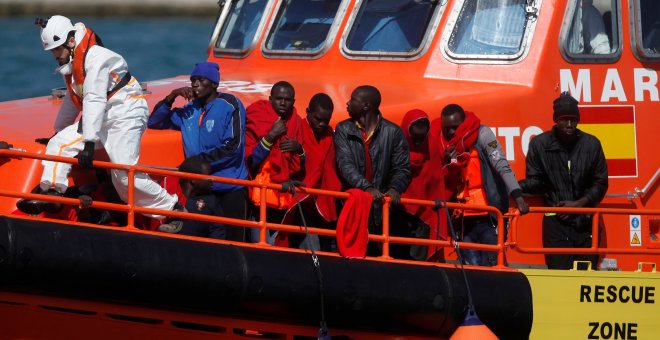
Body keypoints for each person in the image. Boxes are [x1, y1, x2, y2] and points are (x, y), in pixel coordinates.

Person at [18, 15, 181, 218]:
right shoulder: (71, 61)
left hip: (126, 112)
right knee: (59, 143)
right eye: (52, 51)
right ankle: (52, 193)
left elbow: (94, 98)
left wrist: (89, 143)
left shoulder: (97, 59)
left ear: (70, 42)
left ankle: (172, 208)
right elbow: (73, 97)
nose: (55, 55)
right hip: (101, 116)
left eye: (56, 50)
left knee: (123, 177)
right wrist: (58, 131)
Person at [148, 61, 249, 241]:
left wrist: (197, 164)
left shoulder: (230, 104)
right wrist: (172, 96)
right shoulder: (189, 111)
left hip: (229, 187)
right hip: (200, 191)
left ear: (214, 84)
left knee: (233, 243)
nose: (195, 84)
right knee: (195, 241)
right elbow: (155, 121)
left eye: (201, 80)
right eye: (193, 80)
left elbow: (233, 146)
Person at [519, 92, 608, 270]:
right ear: (556, 120)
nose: (569, 124)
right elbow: (536, 182)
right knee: (559, 275)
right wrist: (512, 187)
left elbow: (601, 182)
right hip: (555, 222)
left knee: (586, 277)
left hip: (585, 222)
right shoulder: (539, 145)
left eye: (573, 119)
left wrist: (579, 204)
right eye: (564, 119)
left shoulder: (591, 144)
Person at [435, 104, 529, 266]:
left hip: (489, 217)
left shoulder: (483, 134)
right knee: (469, 266)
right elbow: (436, 177)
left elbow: (501, 165)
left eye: (455, 128)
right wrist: (445, 162)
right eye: (447, 129)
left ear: (463, 123)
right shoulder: (440, 143)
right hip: (463, 220)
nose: (451, 133)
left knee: (493, 265)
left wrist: (518, 196)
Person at [334, 85, 411, 255]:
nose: (347, 103)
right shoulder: (343, 129)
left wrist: (394, 188)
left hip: (384, 211)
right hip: (354, 207)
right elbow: (345, 164)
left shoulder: (394, 132)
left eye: (353, 100)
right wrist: (367, 188)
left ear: (366, 106)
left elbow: (402, 168)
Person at [277, 93, 341, 251]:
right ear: (307, 112)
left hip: (327, 200)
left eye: (326, 120)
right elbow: (285, 162)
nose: (321, 124)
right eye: (317, 119)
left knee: (329, 251)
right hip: (302, 200)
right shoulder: (296, 129)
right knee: (313, 250)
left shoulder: (330, 135)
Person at [245, 81, 306, 242]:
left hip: (284, 197)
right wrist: (270, 136)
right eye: (279, 99)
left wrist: (299, 150)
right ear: (271, 98)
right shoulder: (258, 116)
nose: (283, 103)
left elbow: (300, 167)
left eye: (288, 100)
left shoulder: (297, 123)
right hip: (260, 197)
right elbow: (251, 161)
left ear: (293, 102)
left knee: (278, 246)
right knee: (259, 244)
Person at [395, 109, 446, 260]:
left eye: (421, 139)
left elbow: (436, 182)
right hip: (396, 211)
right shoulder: (395, 146)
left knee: (419, 263)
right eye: (414, 138)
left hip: (424, 216)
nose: (417, 142)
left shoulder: (432, 147)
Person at [158, 155, 228, 238]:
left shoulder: (211, 201)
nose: (212, 179)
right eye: (208, 175)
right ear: (193, 179)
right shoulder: (166, 193)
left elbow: (218, 234)